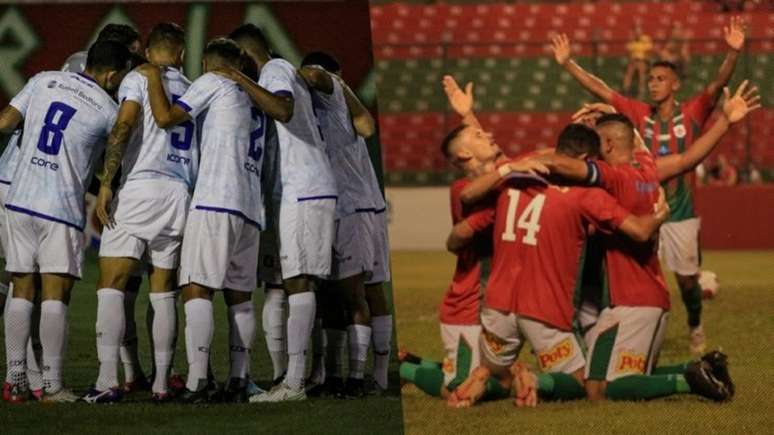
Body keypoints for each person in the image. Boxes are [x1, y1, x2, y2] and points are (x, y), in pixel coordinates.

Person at [550, 16, 746, 353]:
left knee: (686, 281)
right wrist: (569, 63)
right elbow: (602, 89)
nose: (653, 84)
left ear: (675, 85)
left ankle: (695, 323)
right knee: (630, 269)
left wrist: (732, 54)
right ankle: (625, 324)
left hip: (680, 212)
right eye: (651, 78)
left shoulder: (692, 113)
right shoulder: (638, 113)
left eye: (660, 79)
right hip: (640, 207)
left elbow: (716, 87)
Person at [136, 37, 271, 403]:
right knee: (240, 298)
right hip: (249, 209)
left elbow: (166, 119)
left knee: (196, 289)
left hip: (216, 200)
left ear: (209, 64)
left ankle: (197, 382)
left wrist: (151, 78)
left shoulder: (213, 82)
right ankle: (241, 380)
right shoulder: (255, 101)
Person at [1, 40, 131, 403]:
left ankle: (14, 381)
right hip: (59, 207)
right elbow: (116, 154)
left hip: (19, 199)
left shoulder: (43, 80)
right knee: (55, 296)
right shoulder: (108, 108)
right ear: (113, 74)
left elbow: (5, 122)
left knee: (22, 289)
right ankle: (53, 384)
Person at [81, 23, 196, 404]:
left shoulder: (138, 78)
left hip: (141, 188)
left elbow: (125, 123)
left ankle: (106, 380)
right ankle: (163, 383)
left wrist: (109, 180)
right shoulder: (194, 87)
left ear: (148, 49)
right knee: (164, 292)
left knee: (111, 283)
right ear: (180, 54)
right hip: (178, 193)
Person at [226, 24, 339, 402]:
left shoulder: (274, 70)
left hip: (305, 190)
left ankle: (294, 383)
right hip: (299, 191)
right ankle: (292, 378)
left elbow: (283, 108)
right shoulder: (280, 72)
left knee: (298, 283)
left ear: (246, 56)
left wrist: (239, 79)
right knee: (293, 283)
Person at [297, 51, 395, 396]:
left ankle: (373, 375)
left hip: (359, 208)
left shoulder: (339, 100)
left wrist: (338, 83)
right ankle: (330, 374)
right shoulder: (305, 109)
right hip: (330, 208)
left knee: (365, 292)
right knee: (328, 297)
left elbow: (366, 126)